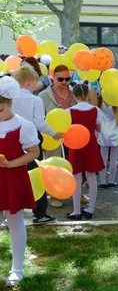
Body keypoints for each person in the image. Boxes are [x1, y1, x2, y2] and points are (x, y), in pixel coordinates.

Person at [0, 76, 40, 287]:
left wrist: (13, 163)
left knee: (15, 221)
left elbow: (34, 152)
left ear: (10, 103)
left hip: (11, 176)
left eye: (0, 110)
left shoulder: (23, 125)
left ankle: (17, 268)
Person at [12, 66, 61, 225]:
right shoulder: (35, 100)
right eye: (34, 82)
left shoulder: (8, 98)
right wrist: (54, 133)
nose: (36, 85)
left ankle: (10, 211)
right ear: (28, 82)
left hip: (11, 139)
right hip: (31, 138)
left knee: (11, 175)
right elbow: (39, 122)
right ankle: (40, 213)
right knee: (36, 174)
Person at [38, 64, 77, 208]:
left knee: (74, 164)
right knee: (55, 165)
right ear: (52, 77)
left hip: (73, 135)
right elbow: (39, 119)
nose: (64, 82)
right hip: (53, 138)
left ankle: (76, 191)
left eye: (67, 78)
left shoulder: (74, 93)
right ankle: (54, 195)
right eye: (60, 79)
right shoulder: (44, 96)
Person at [65, 83, 105, 220]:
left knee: (76, 178)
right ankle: (90, 209)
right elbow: (98, 128)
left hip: (75, 146)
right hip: (91, 145)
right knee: (92, 177)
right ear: (87, 95)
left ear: (74, 95)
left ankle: (76, 211)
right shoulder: (95, 110)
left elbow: (66, 129)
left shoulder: (69, 111)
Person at [97, 95, 118, 188]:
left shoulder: (100, 102)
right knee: (113, 159)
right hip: (115, 132)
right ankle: (111, 181)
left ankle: (102, 181)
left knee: (103, 158)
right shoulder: (116, 103)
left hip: (104, 131)